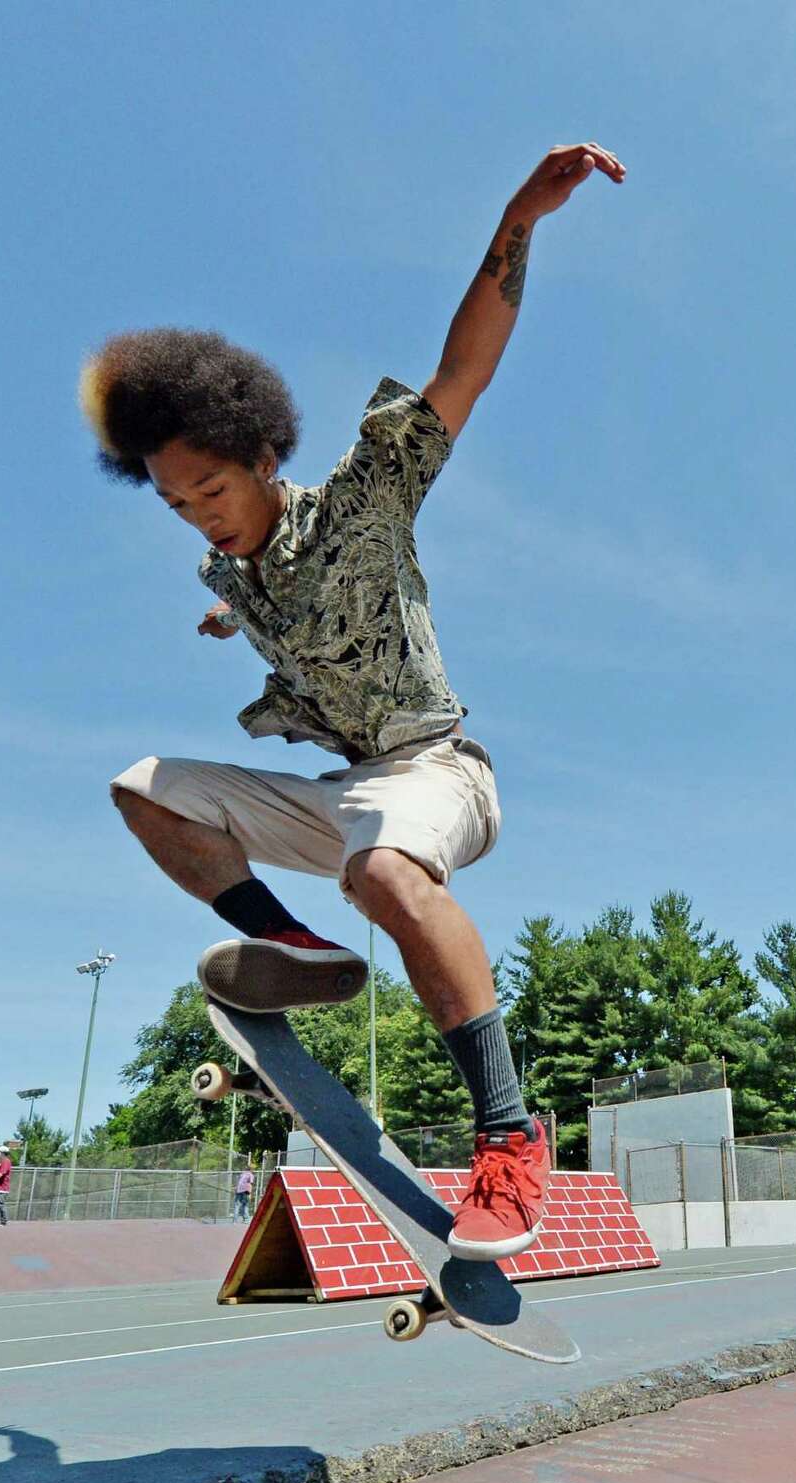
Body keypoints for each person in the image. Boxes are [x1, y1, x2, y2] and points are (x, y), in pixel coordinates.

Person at [83, 144, 625, 1263]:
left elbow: (462, 370)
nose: (202, 520)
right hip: (346, 794)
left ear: (265, 454)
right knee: (146, 790)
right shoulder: (225, 570)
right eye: (179, 505)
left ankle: (510, 1137)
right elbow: (262, 592)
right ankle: (294, 948)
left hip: (438, 771)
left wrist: (519, 216)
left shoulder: (366, 495)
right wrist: (233, 618)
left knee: (384, 867)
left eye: (216, 492)